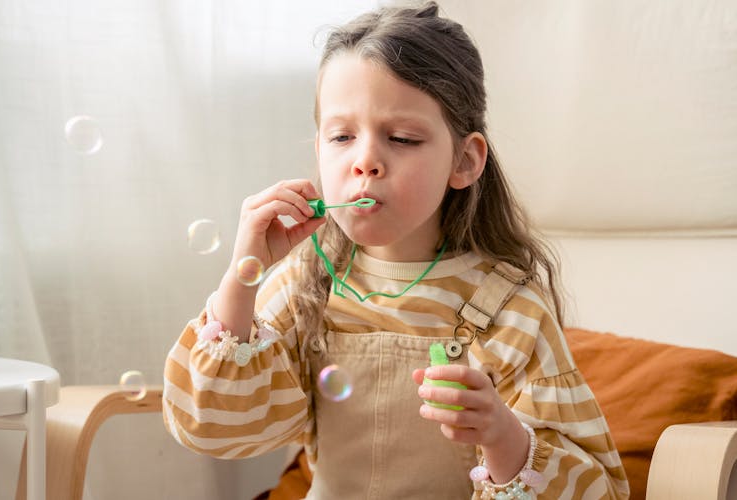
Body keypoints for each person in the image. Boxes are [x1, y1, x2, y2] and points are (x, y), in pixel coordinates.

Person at [162, 2, 630, 499]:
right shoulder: (305, 281)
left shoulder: (510, 308)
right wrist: (242, 277)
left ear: (464, 161)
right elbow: (215, 428)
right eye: (341, 136)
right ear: (318, 149)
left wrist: (502, 436)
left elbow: (594, 489)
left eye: (402, 138)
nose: (365, 161)